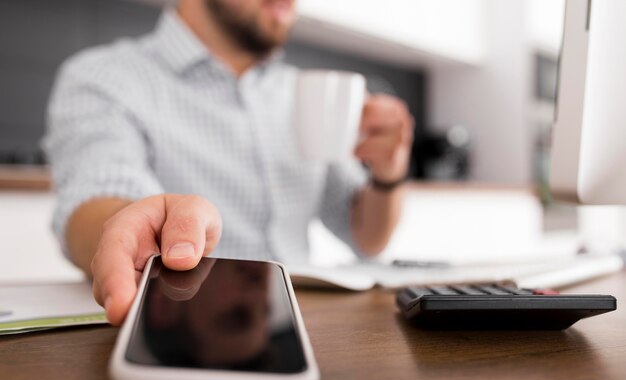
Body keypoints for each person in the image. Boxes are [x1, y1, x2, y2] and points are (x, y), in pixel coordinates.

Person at [43, 0, 414, 326]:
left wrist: (387, 175)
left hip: (303, 323)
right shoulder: (105, 77)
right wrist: (126, 228)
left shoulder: (301, 91)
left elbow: (367, 238)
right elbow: (98, 191)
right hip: (185, 323)